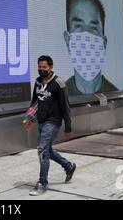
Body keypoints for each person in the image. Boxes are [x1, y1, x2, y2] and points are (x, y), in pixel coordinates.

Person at [27, 55, 76, 196]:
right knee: (47, 150)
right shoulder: (37, 82)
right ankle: (68, 166)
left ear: (51, 67)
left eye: (44, 67)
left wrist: (68, 127)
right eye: (39, 67)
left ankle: (42, 183)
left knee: (42, 150)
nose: (41, 69)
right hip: (41, 120)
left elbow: (65, 107)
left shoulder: (59, 83)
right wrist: (29, 118)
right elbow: (34, 102)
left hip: (53, 121)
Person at [63, 0, 118, 95]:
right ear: (67, 40)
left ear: (104, 43)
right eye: (78, 26)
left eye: (93, 28)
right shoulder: (57, 100)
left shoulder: (117, 97)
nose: (86, 34)